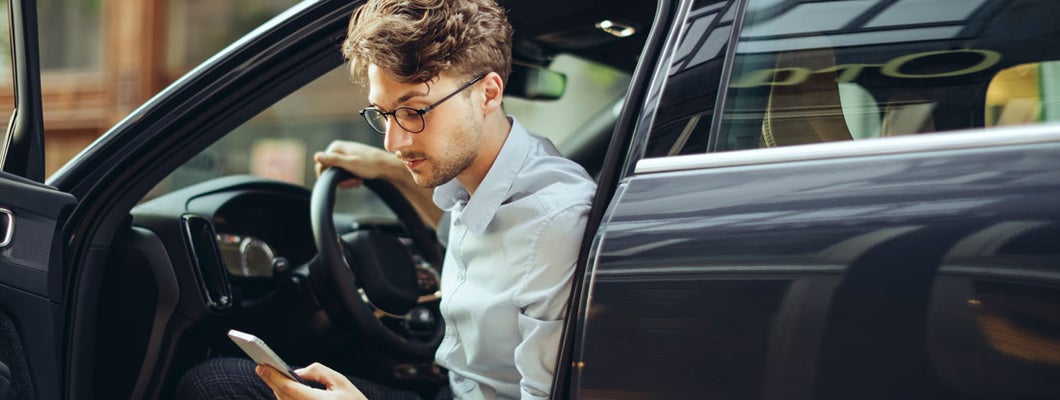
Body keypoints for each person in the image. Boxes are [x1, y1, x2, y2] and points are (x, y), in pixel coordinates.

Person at [176, 0, 594, 398]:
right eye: (383, 113)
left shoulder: (554, 224)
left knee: (211, 387)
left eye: (415, 111)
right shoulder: (479, 179)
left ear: (488, 93)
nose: (394, 141)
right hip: (450, 388)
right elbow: (464, 237)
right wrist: (389, 170)